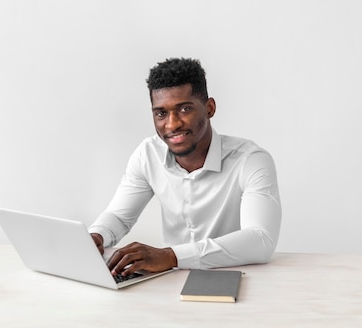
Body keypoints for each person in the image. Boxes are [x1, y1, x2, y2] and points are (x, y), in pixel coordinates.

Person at [88, 58, 281, 276]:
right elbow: (120, 216)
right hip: (172, 280)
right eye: (161, 113)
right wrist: (97, 235)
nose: (172, 124)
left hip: (234, 278)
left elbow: (260, 240)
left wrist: (171, 256)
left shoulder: (251, 160)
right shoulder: (148, 154)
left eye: (184, 109)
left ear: (210, 108)